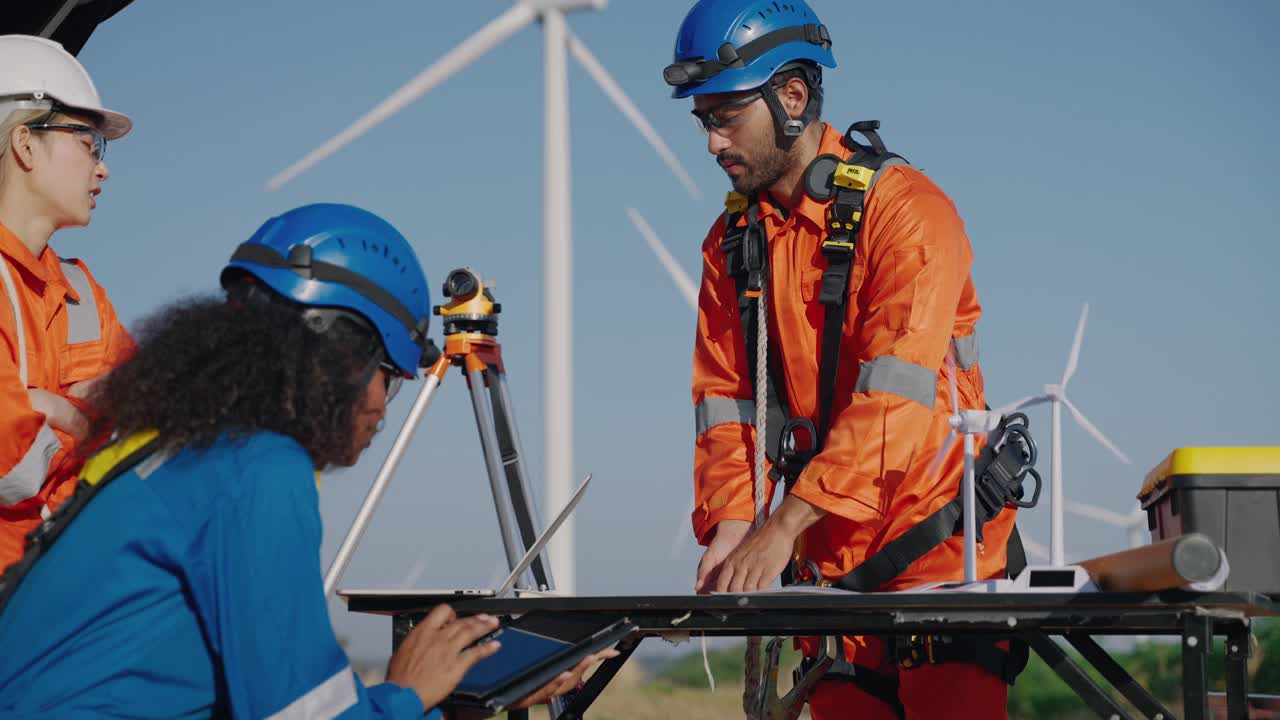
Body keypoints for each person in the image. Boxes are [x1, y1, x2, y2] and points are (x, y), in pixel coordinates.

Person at [0, 203, 608, 718]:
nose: (383, 408)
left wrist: (455, 692)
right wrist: (407, 693)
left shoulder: (182, 453)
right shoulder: (255, 468)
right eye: (391, 376)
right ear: (341, 354)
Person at [667, 1, 1024, 717]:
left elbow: (894, 403)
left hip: (940, 565)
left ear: (791, 97)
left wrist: (782, 527)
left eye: (725, 116)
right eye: (703, 119)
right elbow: (727, 400)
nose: (710, 143)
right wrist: (734, 525)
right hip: (826, 569)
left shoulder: (910, 214)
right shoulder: (730, 244)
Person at [0, 34, 136, 570]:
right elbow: (12, 463)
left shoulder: (81, 294)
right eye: (87, 142)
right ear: (26, 144)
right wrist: (84, 420)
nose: (102, 168)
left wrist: (45, 405)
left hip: (51, 595)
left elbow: (145, 426)